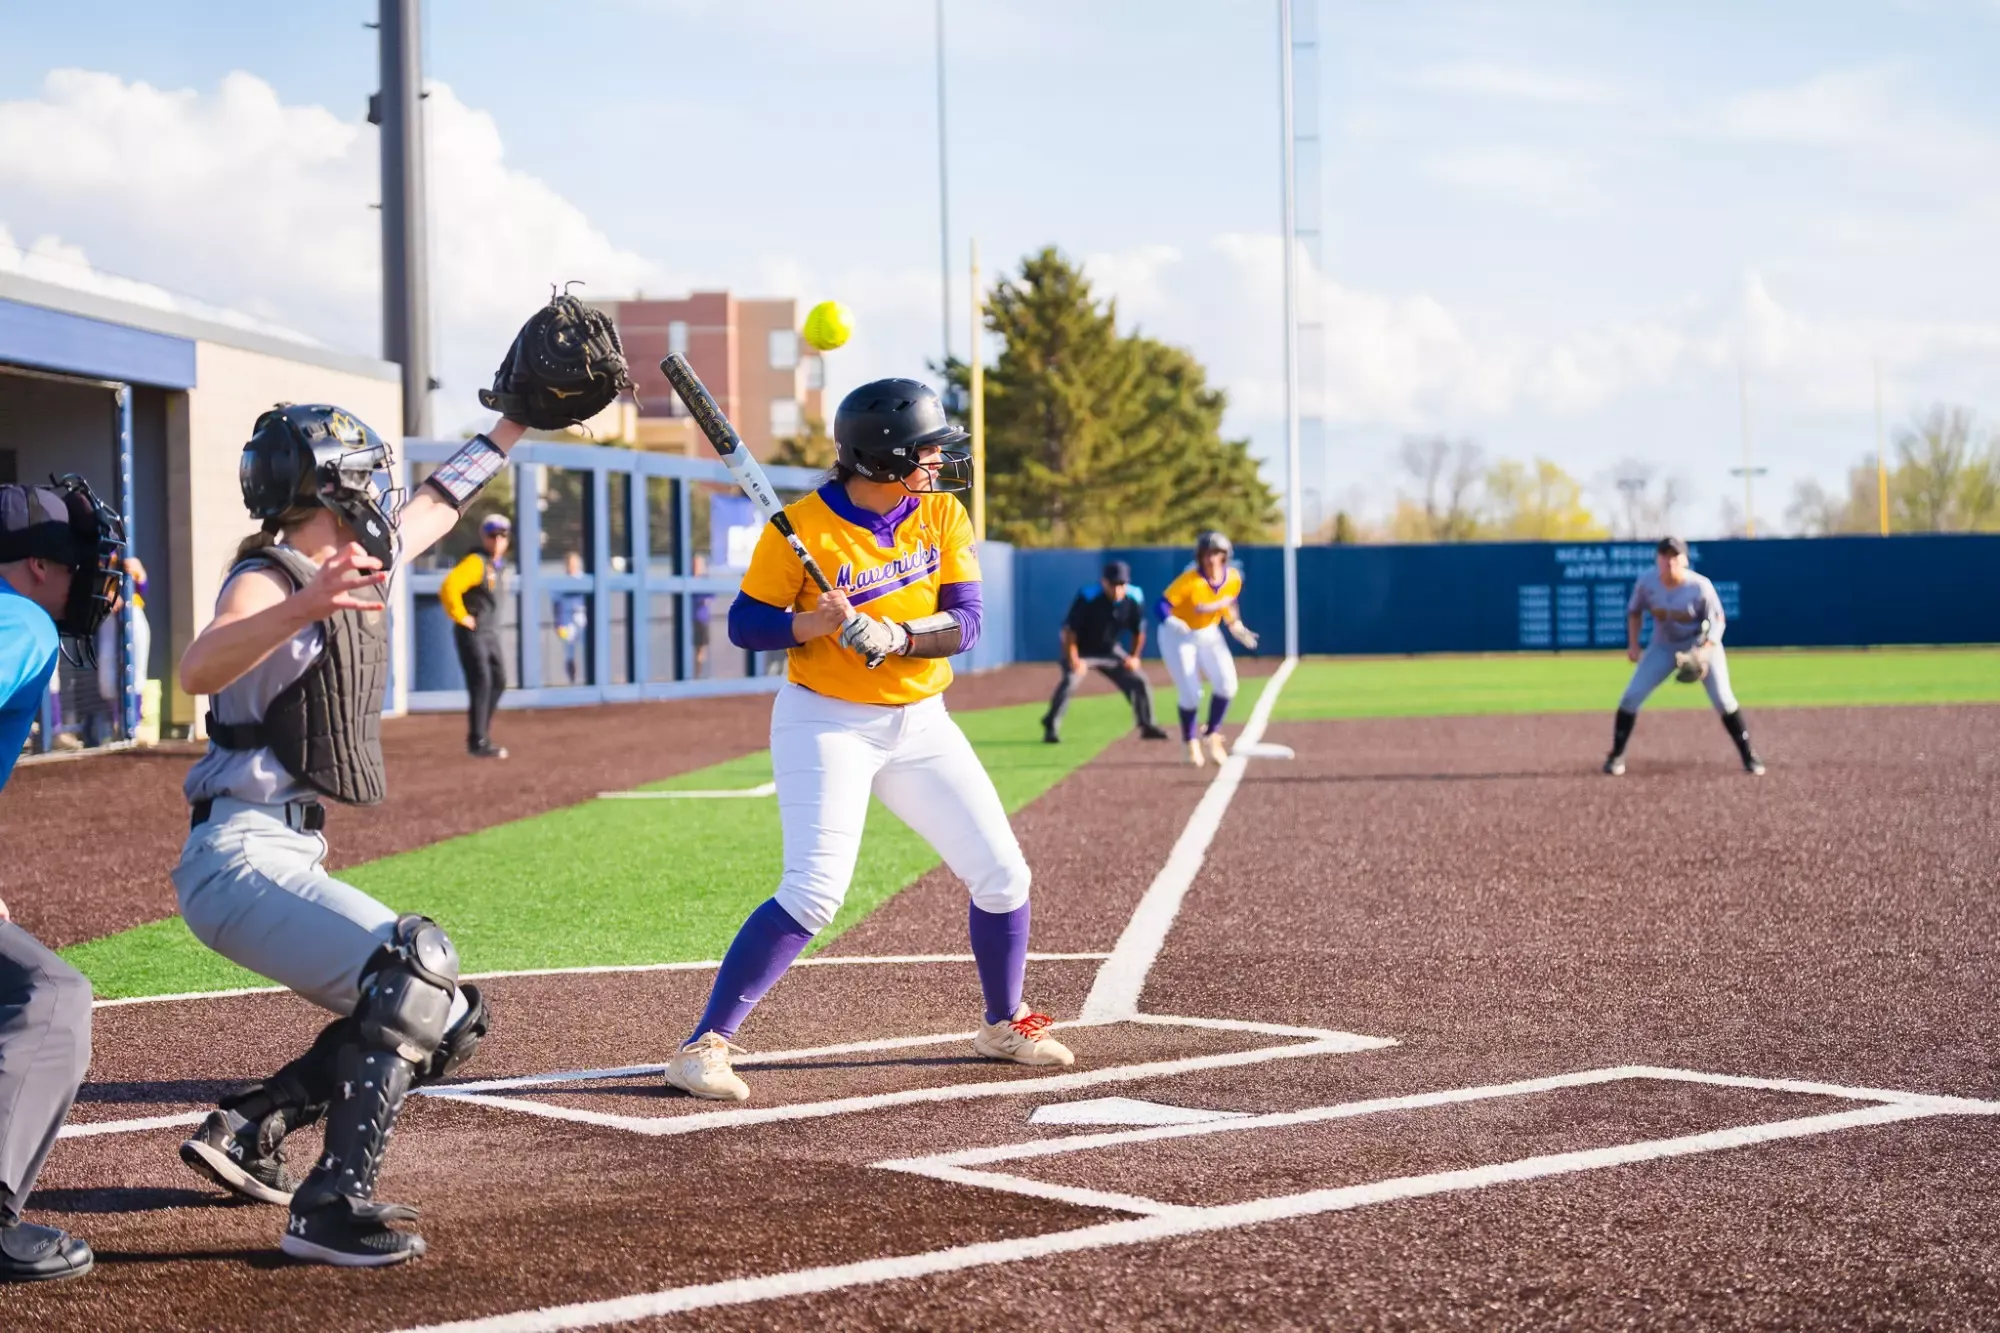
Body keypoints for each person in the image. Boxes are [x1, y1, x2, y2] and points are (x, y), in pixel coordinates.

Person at [171, 404, 528, 1266]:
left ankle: (253, 1124)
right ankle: (329, 1206)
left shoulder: (354, 557)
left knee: (450, 1017)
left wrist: (515, 423)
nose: (381, 489)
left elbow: (438, 501)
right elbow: (198, 665)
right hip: (237, 854)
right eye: (366, 474)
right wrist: (304, 603)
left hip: (283, 850)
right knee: (414, 967)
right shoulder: (268, 575)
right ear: (330, 486)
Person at [661, 377, 1073, 1103]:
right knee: (814, 891)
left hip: (921, 720)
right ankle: (704, 1047)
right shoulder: (801, 527)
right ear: (883, 458)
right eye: (926, 451)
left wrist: (898, 634)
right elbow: (745, 625)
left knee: (1004, 875)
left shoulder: (941, 513)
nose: (938, 462)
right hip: (826, 721)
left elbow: (966, 621)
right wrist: (811, 624)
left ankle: (1003, 1022)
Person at [0, 476, 124, 1283]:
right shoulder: (23, 620)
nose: (91, 581)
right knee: (50, 997)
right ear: (39, 565)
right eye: (80, 564)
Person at [1603, 536, 1764, 776]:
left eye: (1675, 556)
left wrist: (1705, 650)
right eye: (1664, 555)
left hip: (1700, 645)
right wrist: (1633, 644)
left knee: (1723, 699)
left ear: (1685, 560)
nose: (1669, 561)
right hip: (1663, 646)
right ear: (1657, 559)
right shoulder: (1647, 583)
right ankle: (1616, 755)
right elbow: (1634, 612)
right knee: (1630, 697)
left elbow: (1718, 620)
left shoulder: (1699, 586)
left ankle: (1749, 754)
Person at [1156, 530, 1259, 767]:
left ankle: (1212, 734)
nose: (1212, 559)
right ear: (1200, 557)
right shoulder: (1190, 580)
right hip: (1179, 635)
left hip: (1208, 632)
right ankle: (1190, 742)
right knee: (1191, 693)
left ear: (1226, 556)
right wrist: (1170, 620)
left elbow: (1228, 602)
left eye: (1217, 553)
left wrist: (1234, 624)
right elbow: (1161, 604)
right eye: (1207, 554)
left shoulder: (1233, 578)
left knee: (1228, 684)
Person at [1040, 559, 1167, 744]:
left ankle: (1147, 726)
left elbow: (1139, 631)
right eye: (1113, 584)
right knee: (1070, 681)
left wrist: (1133, 657)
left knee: (1139, 680)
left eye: (1121, 584)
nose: (1117, 589)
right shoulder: (1088, 597)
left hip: (1109, 650)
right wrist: (1074, 660)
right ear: (1103, 582)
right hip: (1081, 649)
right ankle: (1051, 725)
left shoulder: (1134, 597)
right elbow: (1069, 632)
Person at [440, 515, 511, 758]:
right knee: (482, 680)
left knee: (499, 680)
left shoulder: (498, 566)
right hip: (474, 632)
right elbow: (450, 586)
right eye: (493, 535)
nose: (497, 540)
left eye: (502, 536)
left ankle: (481, 733)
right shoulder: (476, 562)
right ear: (484, 537)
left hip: (491, 634)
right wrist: (461, 616)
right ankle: (478, 740)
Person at [552, 550, 588, 686]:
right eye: (569, 563)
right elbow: (557, 605)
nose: (571, 566)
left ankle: (590, 678)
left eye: (574, 563)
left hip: (583, 620)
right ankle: (572, 679)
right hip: (567, 622)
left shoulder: (585, 580)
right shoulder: (561, 583)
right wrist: (558, 623)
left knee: (589, 649)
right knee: (569, 653)